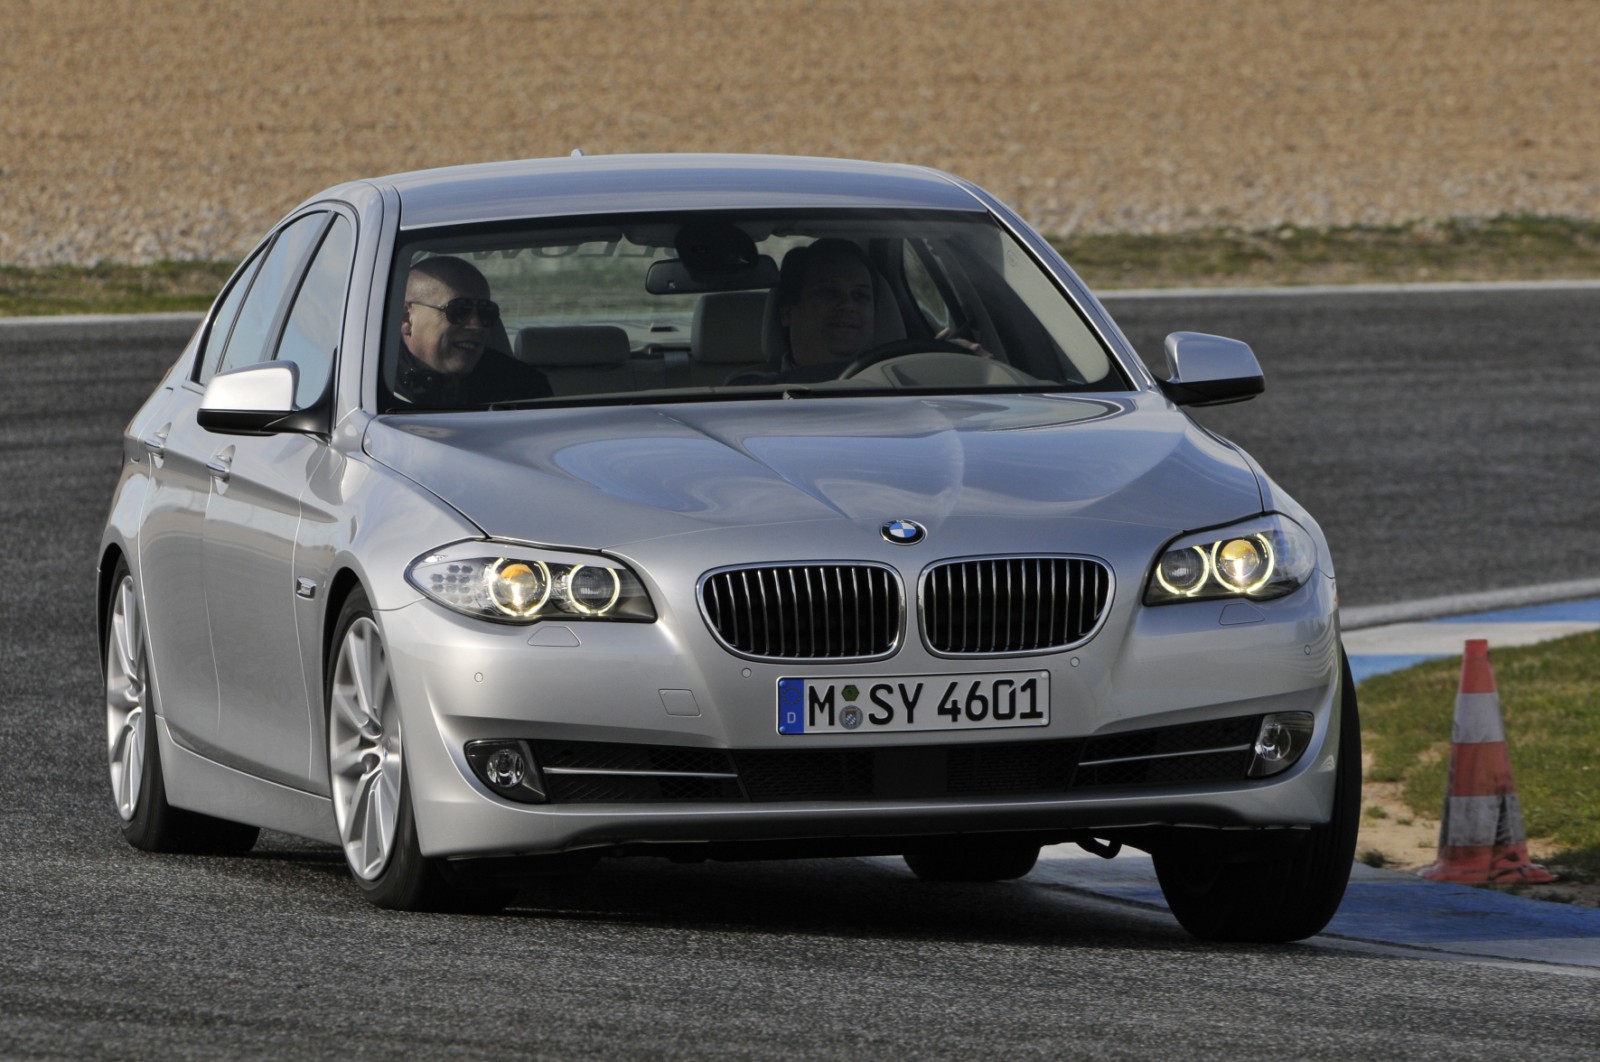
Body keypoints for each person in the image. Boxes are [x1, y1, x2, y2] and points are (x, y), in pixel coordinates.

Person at [734, 238, 988, 385]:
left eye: (860, 296)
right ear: (787, 312)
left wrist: (943, 364)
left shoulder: (914, 381)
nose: (848, 305)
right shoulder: (747, 389)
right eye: (829, 293)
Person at [391, 255, 551, 408]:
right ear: (406, 318)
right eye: (459, 310)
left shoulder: (523, 388)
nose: (476, 325)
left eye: (486, 312)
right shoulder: (380, 388)